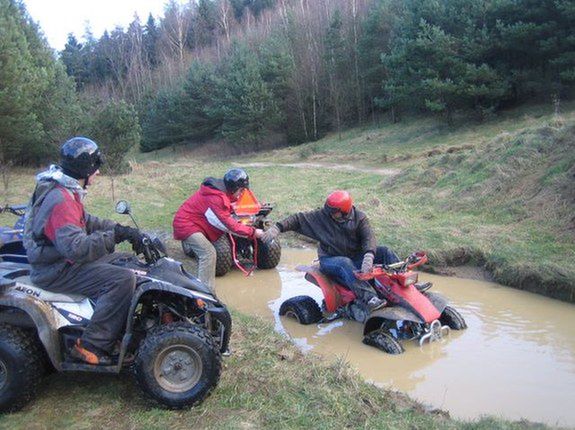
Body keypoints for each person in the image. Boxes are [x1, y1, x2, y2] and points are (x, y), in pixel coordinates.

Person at [23, 137, 143, 365]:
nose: (98, 173)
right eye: (96, 168)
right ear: (84, 169)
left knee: (127, 260)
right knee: (122, 279)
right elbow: (76, 249)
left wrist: (122, 230)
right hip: (55, 269)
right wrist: (114, 237)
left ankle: (116, 326)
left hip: (61, 261)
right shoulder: (60, 200)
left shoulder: (64, 190)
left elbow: (87, 221)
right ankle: (92, 346)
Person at [261, 190, 399, 311]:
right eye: (329, 211)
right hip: (330, 259)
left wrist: (369, 255)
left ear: (345, 211)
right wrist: (277, 228)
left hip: (355, 256)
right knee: (344, 262)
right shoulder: (322, 216)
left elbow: (369, 237)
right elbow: (297, 219)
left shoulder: (359, 218)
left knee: (386, 252)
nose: (331, 215)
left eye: (334, 212)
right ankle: (370, 298)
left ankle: (407, 287)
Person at [173, 168, 264, 291]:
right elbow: (228, 225)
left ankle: (205, 290)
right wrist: (253, 232)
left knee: (209, 252)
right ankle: (206, 293)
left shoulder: (222, 192)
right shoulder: (216, 198)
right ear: (233, 188)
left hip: (196, 221)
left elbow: (228, 207)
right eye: (241, 190)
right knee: (208, 253)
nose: (242, 193)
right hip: (186, 224)